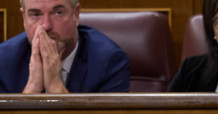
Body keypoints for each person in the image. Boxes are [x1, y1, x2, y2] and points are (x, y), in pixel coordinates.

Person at [0, 0, 130, 93]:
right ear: (24, 18)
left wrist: (55, 85)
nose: (46, 25)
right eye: (36, 14)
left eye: (58, 13)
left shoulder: (110, 61)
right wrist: (32, 87)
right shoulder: (3, 60)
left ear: (76, 15)